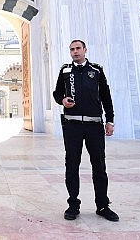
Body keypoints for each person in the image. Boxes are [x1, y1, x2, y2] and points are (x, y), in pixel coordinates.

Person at [52, 39, 119, 222]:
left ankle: (103, 205)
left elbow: (106, 95)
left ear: (85, 50)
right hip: (72, 125)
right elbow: (57, 93)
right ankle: (73, 204)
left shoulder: (96, 70)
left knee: (99, 166)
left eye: (78, 48)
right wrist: (62, 100)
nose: (75, 52)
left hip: (94, 125)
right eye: (72, 49)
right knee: (72, 165)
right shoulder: (65, 70)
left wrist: (110, 120)